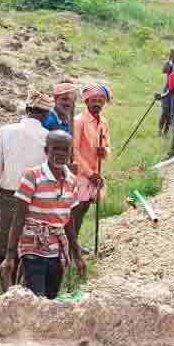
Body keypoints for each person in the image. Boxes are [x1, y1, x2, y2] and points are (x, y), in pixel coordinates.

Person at [1, 131, 86, 298]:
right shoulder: (32, 176)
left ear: (70, 153)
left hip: (57, 250)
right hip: (33, 246)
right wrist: (9, 256)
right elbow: (18, 218)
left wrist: (76, 254)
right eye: (56, 149)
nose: (60, 154)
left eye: (65, 150)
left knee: (51, 297)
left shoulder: (72, 181)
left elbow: (69, 221)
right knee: (37, 298)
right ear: (47, 150)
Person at [0, 89, 52, 290]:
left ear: (27, 108)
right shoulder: (48, 137)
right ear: (46, 115)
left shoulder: (6, 131)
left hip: (8, 199)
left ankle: (6, 292)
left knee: (0, 251)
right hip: (35, 201)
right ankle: (21, 292)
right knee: (27, 251)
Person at [71, 84, 111, 239]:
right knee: (75, 211)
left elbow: (108, 147)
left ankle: (74, 244)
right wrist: (89, 174)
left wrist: (104, 151)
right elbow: (74, 151)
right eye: (94, 100)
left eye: (101, 100)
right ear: (86, 101)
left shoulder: (103, 123)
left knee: (84, 209)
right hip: (80, 174)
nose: (97, 103)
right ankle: (69, 247)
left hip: (95, 172)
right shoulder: (78, 121)